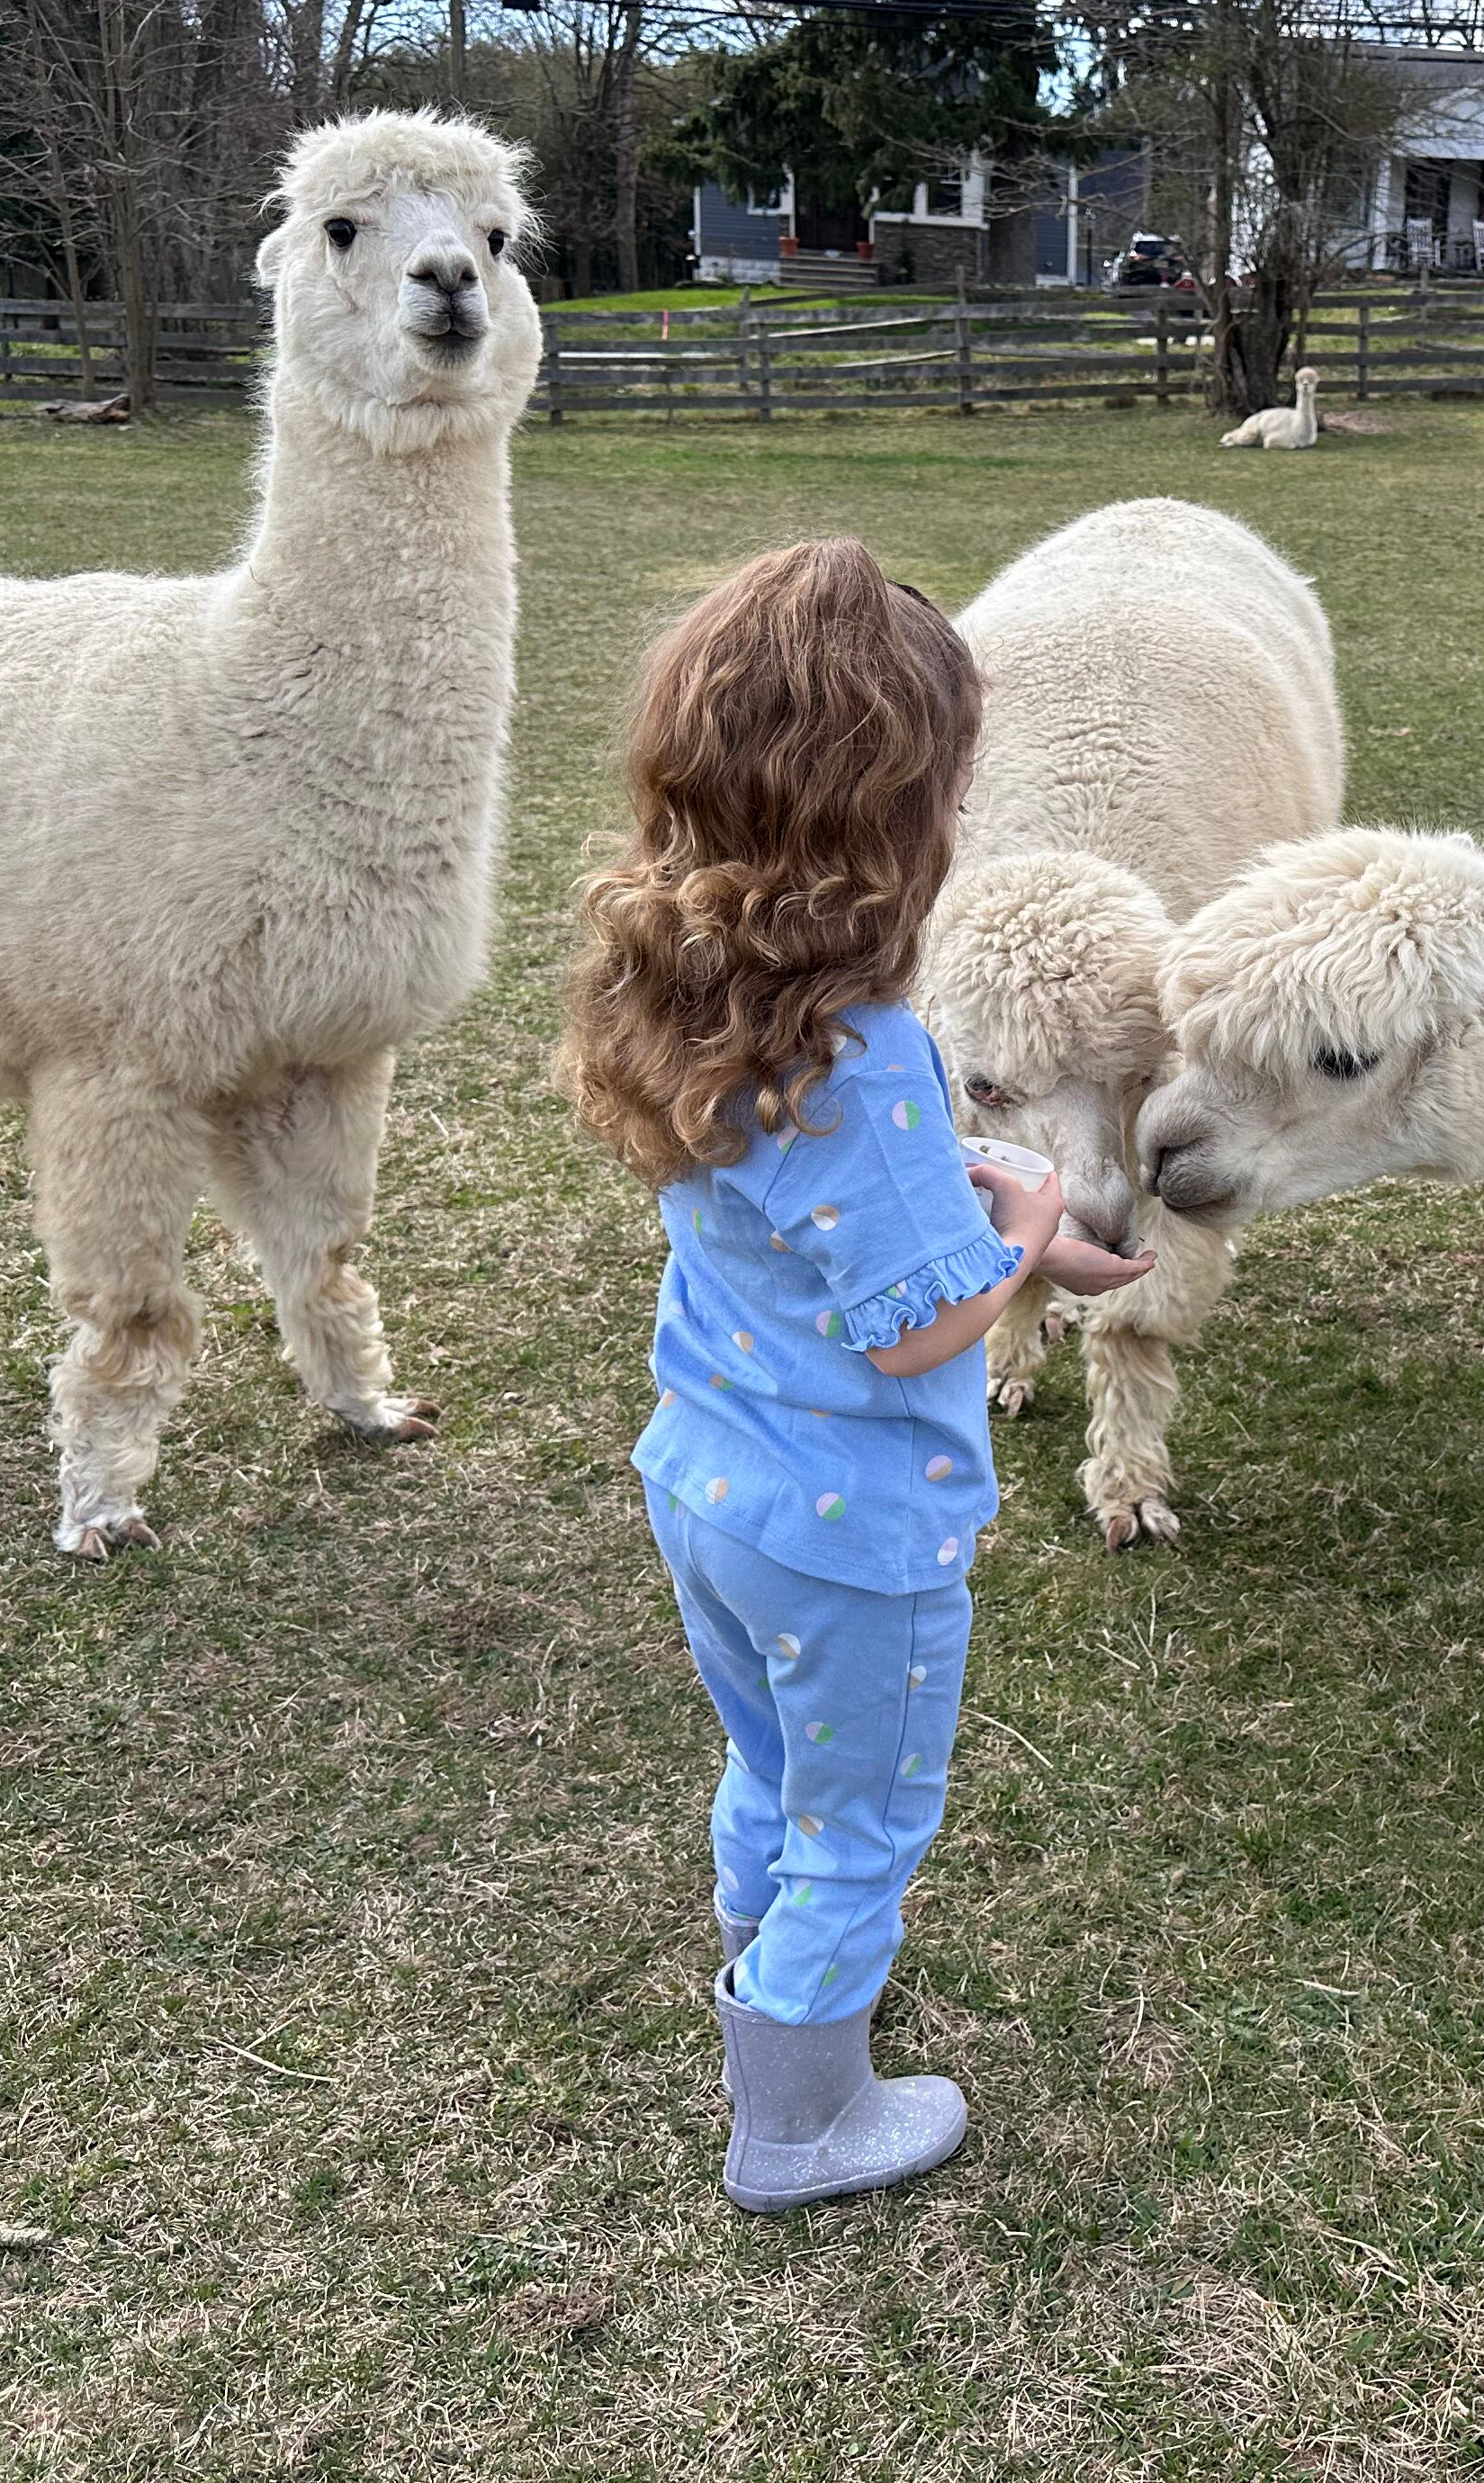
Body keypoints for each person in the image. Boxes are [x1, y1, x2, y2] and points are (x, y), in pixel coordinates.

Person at [555, 537, 1150, 2212]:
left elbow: (809, 1211)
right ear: (897, 816)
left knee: (770, 1763)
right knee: (867, 1822)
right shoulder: (866, 1049)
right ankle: (798, 2122)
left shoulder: (697, 995)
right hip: (852, 1528)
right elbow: (908, 1326)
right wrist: (1024, 1233)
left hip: (710, 1489)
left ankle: (766, 1963)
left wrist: (981, 1208)